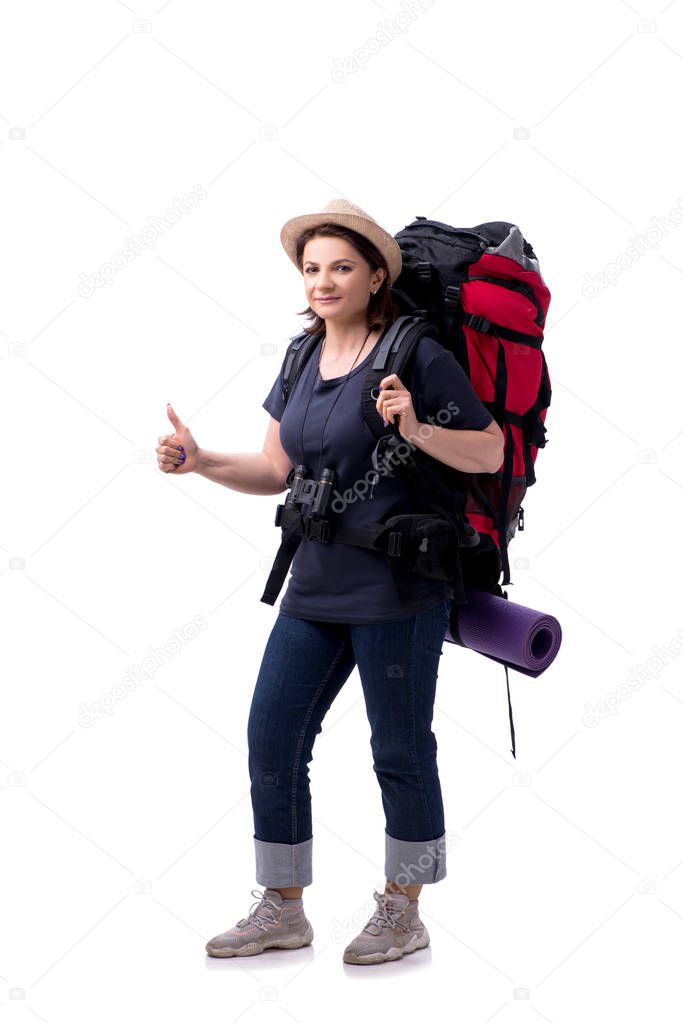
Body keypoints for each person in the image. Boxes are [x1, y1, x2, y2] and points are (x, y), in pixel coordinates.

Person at [156, 198, 504, 966]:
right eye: (311, 267)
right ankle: (282, 907)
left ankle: (403, 908)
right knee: (272, 736)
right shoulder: (300, 357)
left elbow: (488, 451)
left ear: (375, 275)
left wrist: (414, 429)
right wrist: (202, 459)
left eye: (341, 266)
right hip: (313, 582)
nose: (323, 280)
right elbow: (275, 468)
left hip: (398, 588)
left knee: (400, 748)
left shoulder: (415, 353)